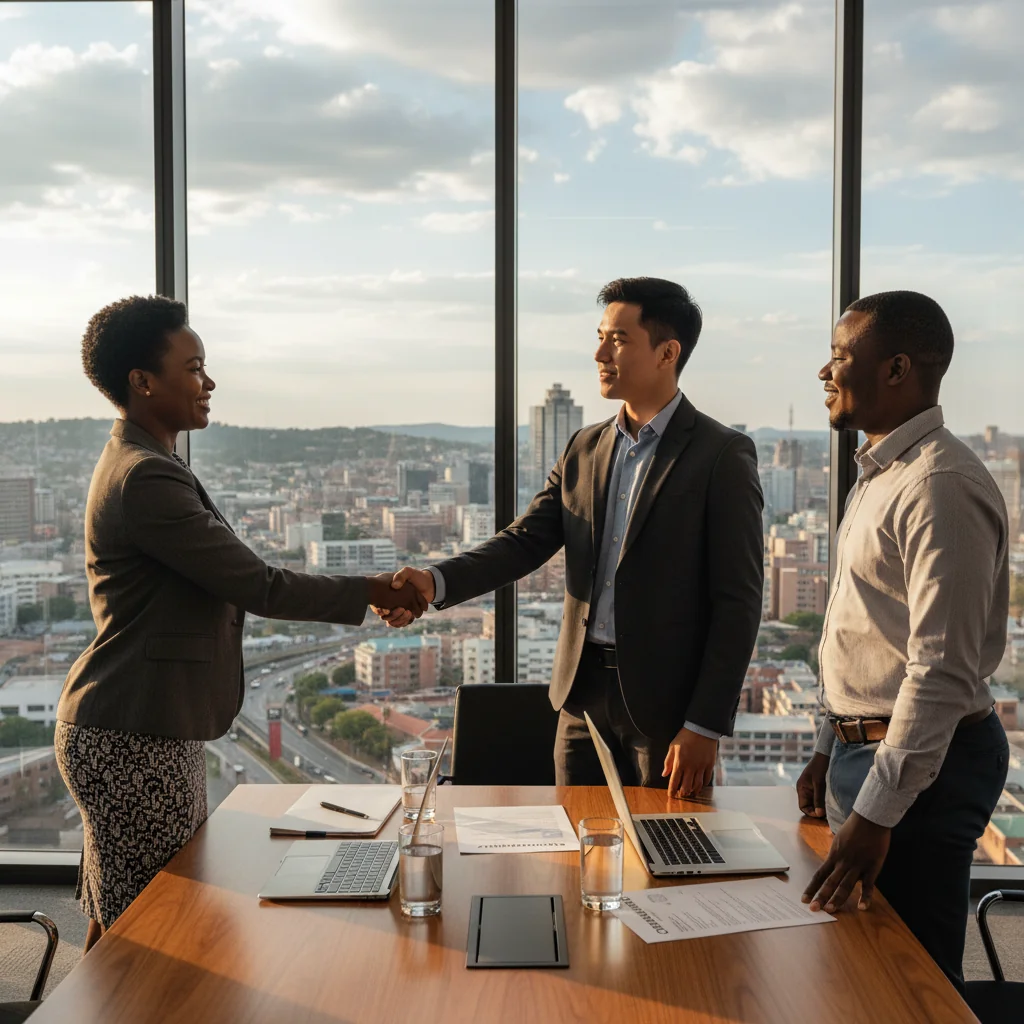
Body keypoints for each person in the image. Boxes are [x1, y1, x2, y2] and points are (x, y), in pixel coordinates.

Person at [56, 295, 426, 952]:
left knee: (127, 920)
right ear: (144, 382)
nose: (209, 382)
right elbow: (255, 583)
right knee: (155, 933)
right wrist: (371, 590)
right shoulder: (145, 477)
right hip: (135, 731)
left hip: (134, 725)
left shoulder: (145, 462)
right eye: (193, 367)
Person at [377, 277, 764, 795]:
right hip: (579, 699)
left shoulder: (722, 455)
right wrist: (433, 581)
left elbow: (738, 601)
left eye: (619, 340)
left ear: (667, 352)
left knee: (667, 854)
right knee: (572, 853)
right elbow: (524, 541)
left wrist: (705, 725)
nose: (600, 353)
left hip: (667, 714)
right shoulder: (585, 446)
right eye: (600, 336)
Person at [798, 290, 1010, 992]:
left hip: (922, 766)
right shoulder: (883, 474)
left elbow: (940, 672)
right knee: (861, 968)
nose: (824, 374)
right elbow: (866, 634)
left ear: (894, 369)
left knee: (910, 980)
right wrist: (829, 748)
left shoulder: (939, 484)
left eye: (838, 358)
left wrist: (876, 811)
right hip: (870, 753)